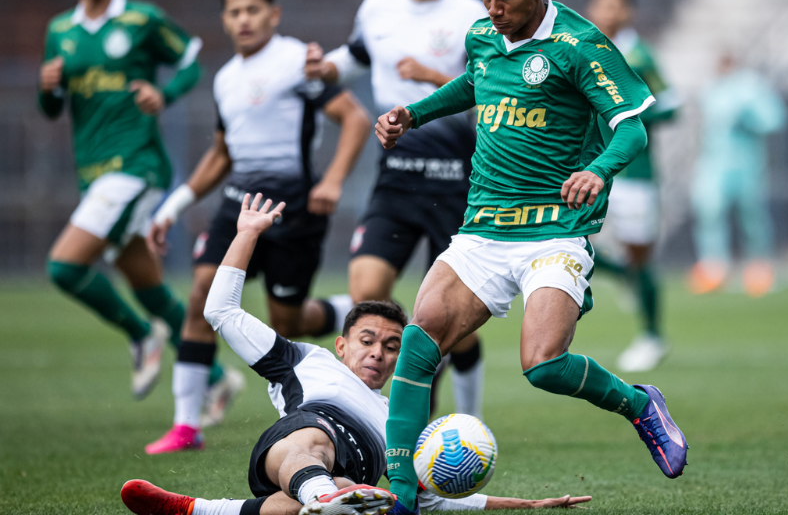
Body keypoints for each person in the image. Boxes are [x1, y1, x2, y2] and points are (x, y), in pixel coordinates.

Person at [373, 0, 689, 514]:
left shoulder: (580, 44)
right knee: (420, 339)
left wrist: (598, 169)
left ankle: (640, 404)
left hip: (555, 229)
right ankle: (402, 497)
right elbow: (475, 83)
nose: (492, 11)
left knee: (542, 366)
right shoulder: (482, 33)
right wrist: (413, 114)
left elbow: (632, 126)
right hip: (483, 226)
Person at [120, 193, 591, 515]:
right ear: (341, 345)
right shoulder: (303, 361)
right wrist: (247, 233)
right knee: (315, 445)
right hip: (304, 440)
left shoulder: (400, 419)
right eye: (367, 341)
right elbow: (220, 310)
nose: (379, 354)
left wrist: (529, 506)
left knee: (345, 499)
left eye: (391, 346)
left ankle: (194, 509)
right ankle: (330, 497)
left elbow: (431, 498)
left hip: (347, 481)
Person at [143, 0, 371, 455]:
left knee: (286, 321)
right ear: (224, 20)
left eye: (253, 10)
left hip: (294, 207)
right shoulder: (225, 78)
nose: (244, 19)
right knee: (203, 297)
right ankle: (186, 425)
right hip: (238, 203)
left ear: (273, 14)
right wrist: (172, 207)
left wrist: (331, 181)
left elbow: (353, 117)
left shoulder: (298, 62)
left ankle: (339, 307)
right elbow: (222, 155)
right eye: (234, 12)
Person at [305, 0, 486, 419]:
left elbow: (491, 90)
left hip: (458, 177)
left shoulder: (473, 14)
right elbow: (360, 53)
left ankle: (468, 423)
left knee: (460, 322)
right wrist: (328, 67)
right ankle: (389, 400)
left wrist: (432, 76)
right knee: (367, 290)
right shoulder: (377, 8)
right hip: (399, 175)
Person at [37, 0, 203, 399]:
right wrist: (47, 88)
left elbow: (192, 56)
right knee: (148, 286)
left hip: (137, 166)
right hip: (93, 173)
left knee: (64, 268)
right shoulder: (60, 30)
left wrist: (164, 92)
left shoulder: (141, 18)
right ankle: (214, 381)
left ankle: (139, 333)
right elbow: (51, 110)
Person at [584, 0, 681, 373]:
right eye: (600, 4)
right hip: (589, 169)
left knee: (641, 257)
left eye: (614, 5)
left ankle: (652, 336)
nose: (607, 12)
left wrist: (629, 113)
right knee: (569, 241)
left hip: (635, 173)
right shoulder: (583, 50)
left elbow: (672, 106)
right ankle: (622, 274)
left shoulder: (640, 56)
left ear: (628, 12)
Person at [687, 51, 787, 297]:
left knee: (752, 215)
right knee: (710, 211)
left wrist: (749, 117)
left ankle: (759, 267)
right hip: (714, 162)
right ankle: (714, 268)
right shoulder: (710, 89)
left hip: (746, 162)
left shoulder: (751, 87)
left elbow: (776, 119)